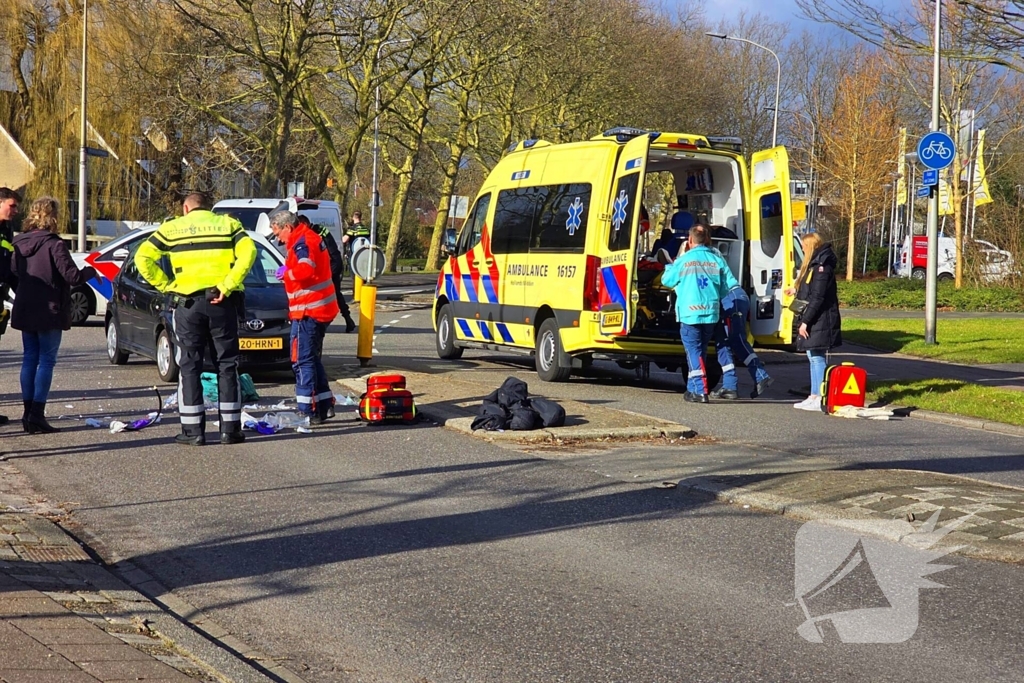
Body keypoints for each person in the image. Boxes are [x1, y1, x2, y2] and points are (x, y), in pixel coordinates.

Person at [135, 192, 256, 446]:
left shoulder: (171, 229)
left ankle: (193, 432)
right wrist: (227, 285)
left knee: (189, 365)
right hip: (222, 301)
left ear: (186, 208)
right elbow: (249, 252)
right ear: (209, 209)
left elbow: (142, 258)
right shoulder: (228, 225)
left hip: (187, 303)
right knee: (227, 364)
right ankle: (230, 431)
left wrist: (167, 285)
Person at [10, 197, 97, 433]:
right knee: (47, 360)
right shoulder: (54, 244)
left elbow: (15, 271)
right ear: (53, 216)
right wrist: (91, 271)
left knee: (30, 358)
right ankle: (37, 414)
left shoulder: (19, 242)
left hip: (26, 306)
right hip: (49, 308)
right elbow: (72, 276)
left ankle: (27, 413)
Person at [270, 210, 339, 425]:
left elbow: (306, 269)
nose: (278, 239)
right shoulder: (307, 238)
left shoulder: (302, 242)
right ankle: (324, 405)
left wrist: (287, 273)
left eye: (278, 233)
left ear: (287, 227)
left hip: (308, 310)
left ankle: (307, 410)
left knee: (301, 360)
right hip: (319, 308)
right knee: (311, 359)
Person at [661, 224, 739, 403]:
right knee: (700, 351)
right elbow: (726, 288)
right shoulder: (717, 259)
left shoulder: (684, 260)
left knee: (693, 351)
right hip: (711, 314)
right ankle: (692, 388)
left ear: (689, 240)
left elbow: (667, 281)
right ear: (708, 239)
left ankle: (699, 390)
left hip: (690, 314)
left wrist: (668, 265)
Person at [785, 233, 842, 411]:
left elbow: (818, 297)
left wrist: (805, 321)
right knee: (812, 356)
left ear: (810, 246)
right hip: (817, 317)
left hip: (821, 318)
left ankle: (820, 396)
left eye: (803, 246)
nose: (802, 249)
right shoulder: (816, 264)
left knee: (817, 357)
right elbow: (812, 289)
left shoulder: (821, 266)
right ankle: (814, 395)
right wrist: (796, 290)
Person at [298, 215, 356, 333]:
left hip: (332, 264)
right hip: (335, 261)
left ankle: (334, 320)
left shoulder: (314, 233)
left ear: (304, 224)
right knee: (335, 292)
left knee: (328, 293)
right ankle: (347, 319)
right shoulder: (319, 229)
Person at [715, 283, 773, 399]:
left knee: (737, 341)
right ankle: (729, 386)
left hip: (730, 298)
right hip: (732, 297)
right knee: (723, 343)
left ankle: (761, 376)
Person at [0, 187, 22, 427]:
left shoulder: (7, 229)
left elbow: (9, 266)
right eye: (11, 206)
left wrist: (21, 291)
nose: (15, 211)